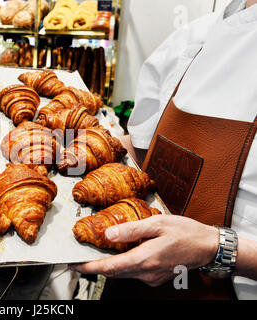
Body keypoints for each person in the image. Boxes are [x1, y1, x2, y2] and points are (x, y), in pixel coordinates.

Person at [70, 0, 257, 300]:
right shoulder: (193, 38)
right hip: (130, 280)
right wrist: (74, 149)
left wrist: (215, 247)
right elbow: (144, 153)